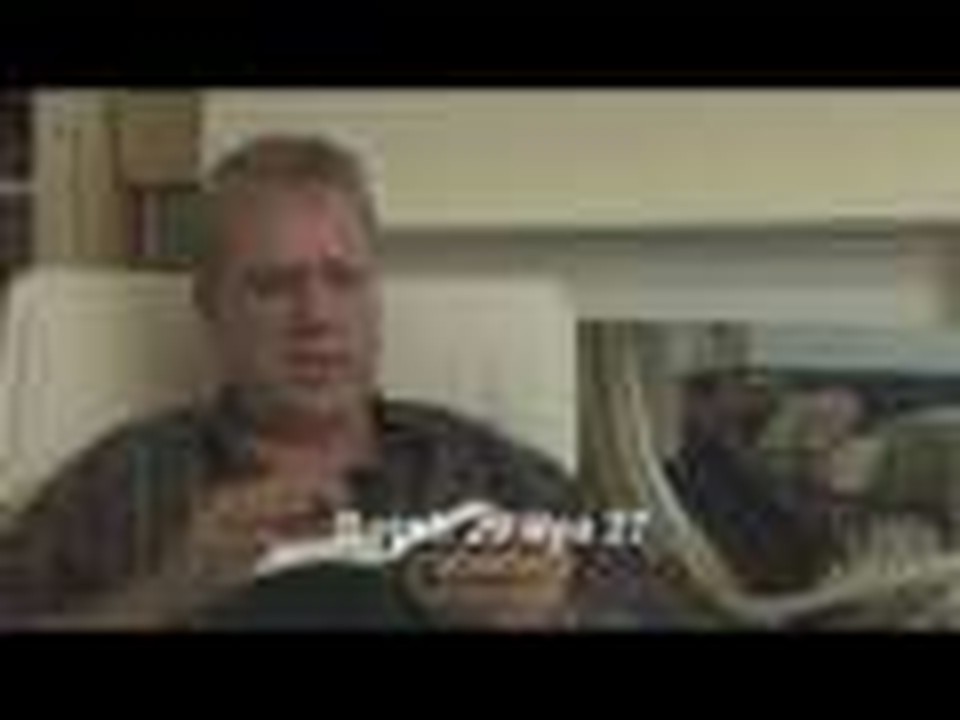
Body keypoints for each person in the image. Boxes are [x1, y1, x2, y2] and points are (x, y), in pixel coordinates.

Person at [0, 134, 685, 630]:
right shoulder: (125, 480)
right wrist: (162, 596)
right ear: (210, 306)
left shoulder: (493, 475)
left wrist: (559, 617)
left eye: (343, 279)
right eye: (274, 286)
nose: (317, 317)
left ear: (374, 295)